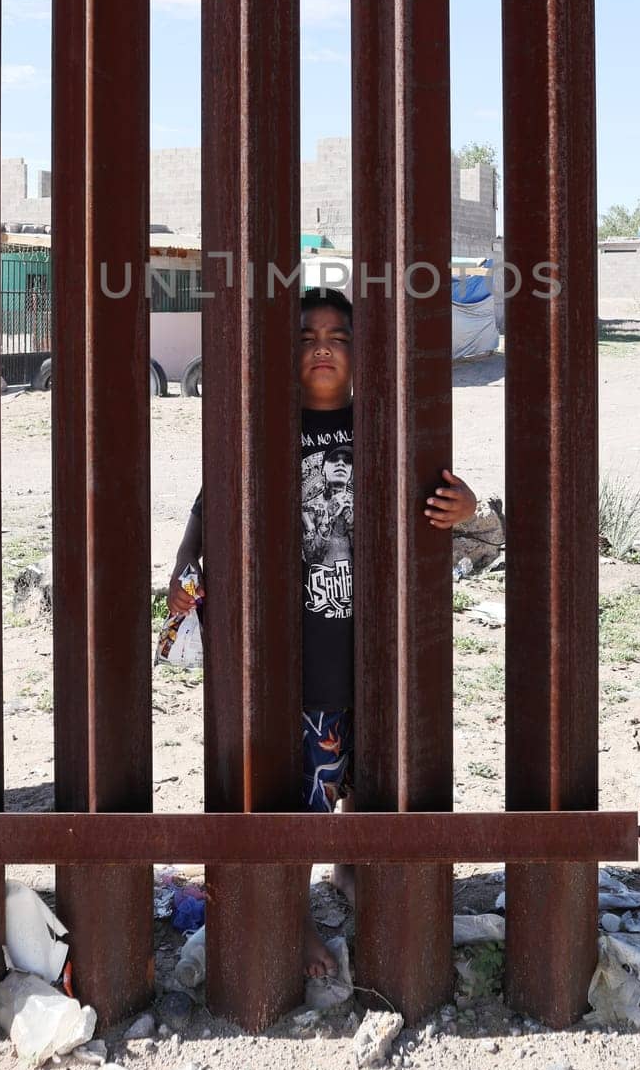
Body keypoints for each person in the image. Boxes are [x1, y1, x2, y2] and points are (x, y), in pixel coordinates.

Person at [167, 286, 478, 976]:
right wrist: (184, 571)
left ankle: (351, 869)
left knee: (370, 768)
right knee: (305, 783)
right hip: (297, 651)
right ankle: (297, 913)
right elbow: (206, 507)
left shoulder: (385, 430)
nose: (322, 347)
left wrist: (470, 506)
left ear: (361, 353)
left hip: (370, 650)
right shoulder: (266, 431)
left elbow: (455, 507)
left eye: (338, 335)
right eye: (307, 336)